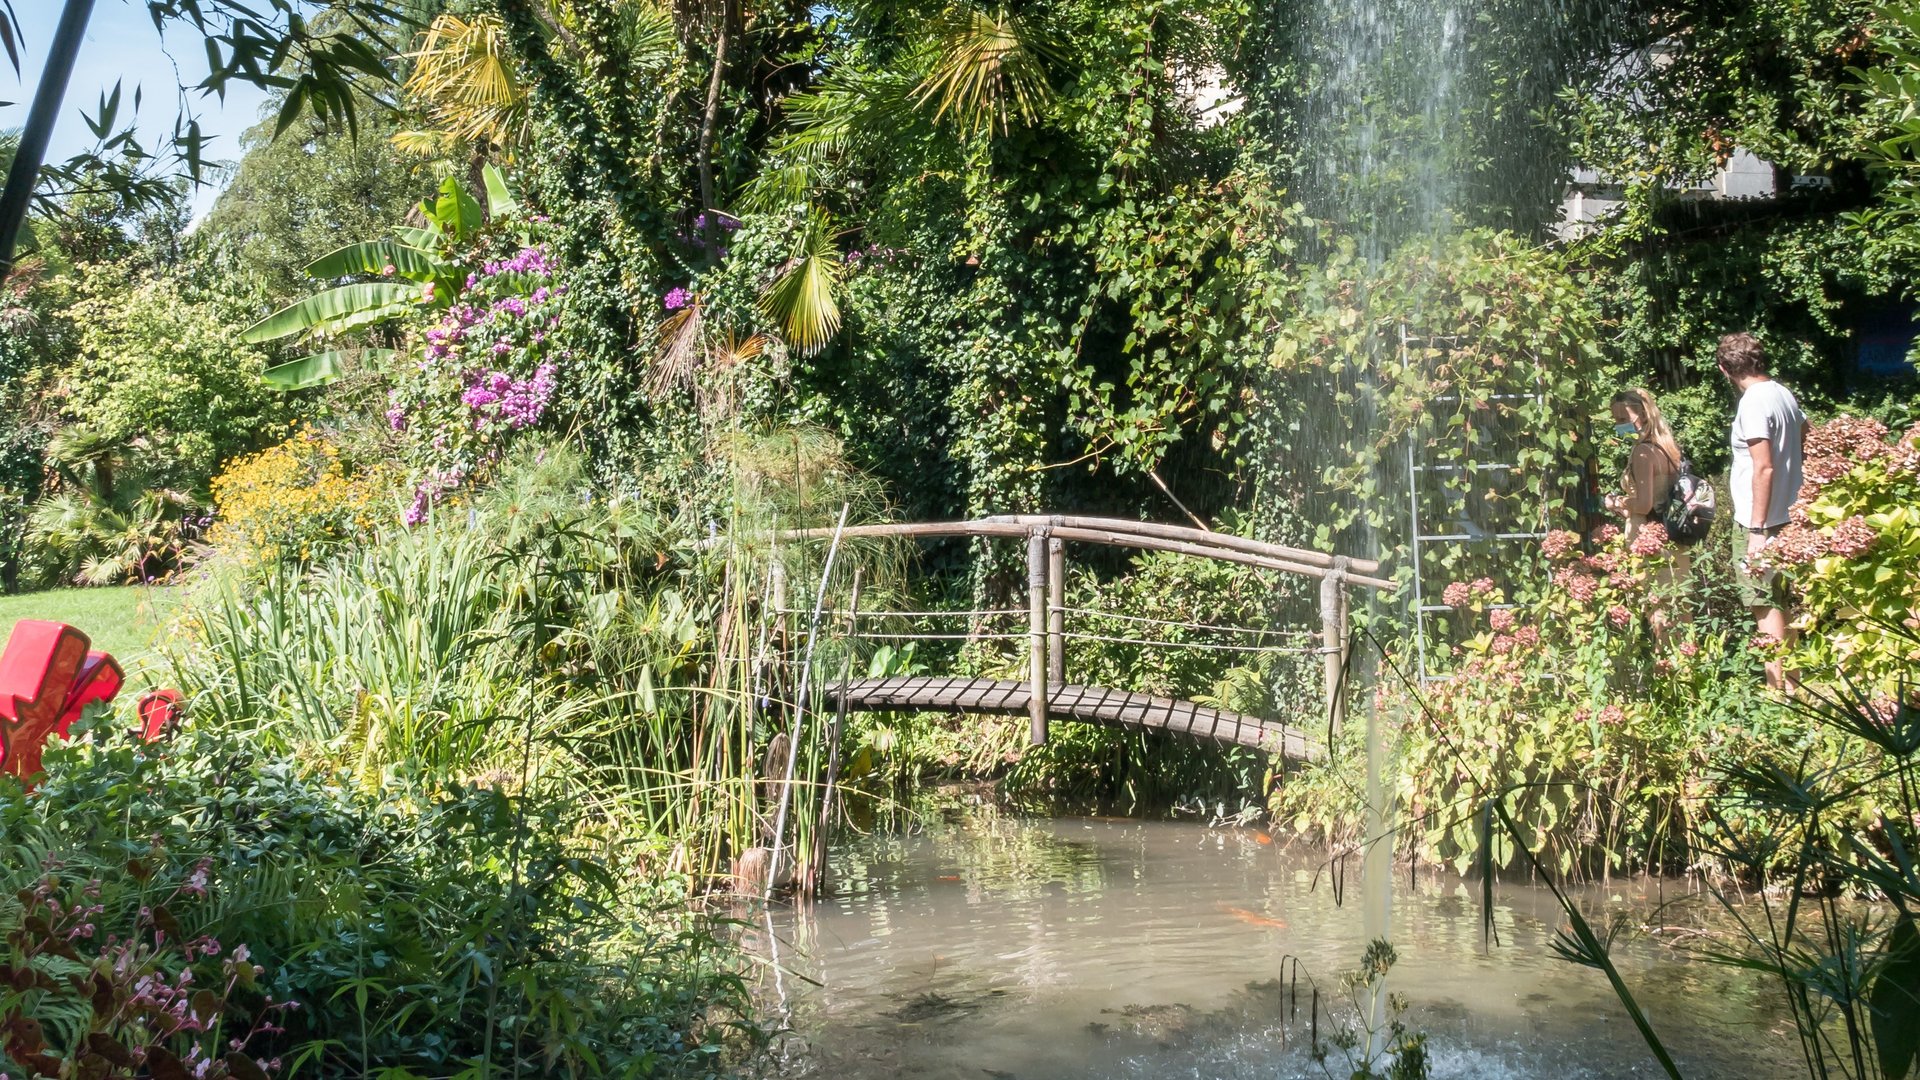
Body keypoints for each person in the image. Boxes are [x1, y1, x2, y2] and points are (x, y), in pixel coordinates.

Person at [1717, 331, 1805, 690]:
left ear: (1725, 369)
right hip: (1789, 515)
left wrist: (1756, 530)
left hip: (1762, 523)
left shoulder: (1752, 402)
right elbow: (1804, 437)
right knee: (1782, 603)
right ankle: (1796, 688)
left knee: (1764, 605)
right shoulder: (1783, 393)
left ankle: (1776, 696)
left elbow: (1763, 466)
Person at [1603, 388, 1690, 640]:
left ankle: (1667, 670)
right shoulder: (1667, 446)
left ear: (1641, 414)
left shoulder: (1642, 452)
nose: (1618, 425)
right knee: (1680, 610)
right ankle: (1688, 670)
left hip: (1650, 542)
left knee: (1659, 613)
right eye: (1615, 419)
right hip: (1673, 537)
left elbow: (1643, 504)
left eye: (1622, 419)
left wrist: (1616, 502)